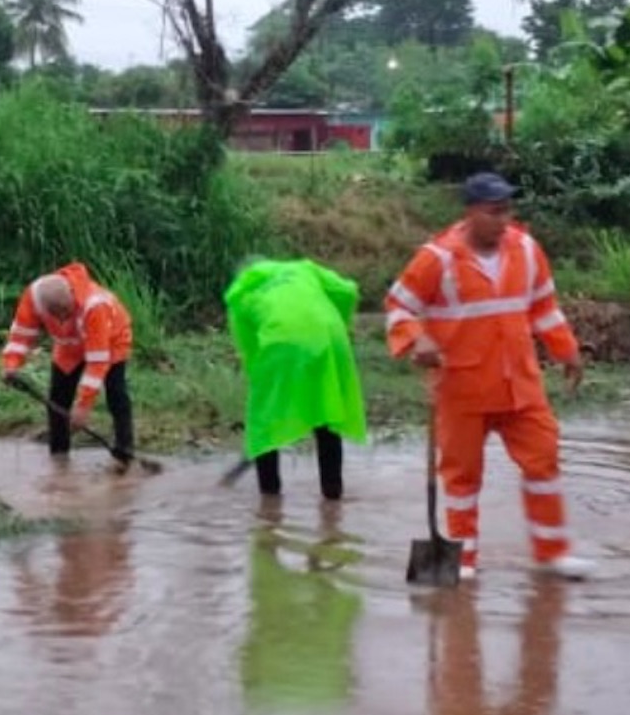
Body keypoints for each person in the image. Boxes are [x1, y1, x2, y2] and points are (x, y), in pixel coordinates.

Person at [384, 172, 592, 582]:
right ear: (472, 213)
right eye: (494, 212)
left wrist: (567, 350)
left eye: (507, 211)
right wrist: (416, 340)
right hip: (462, 388)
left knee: (544, 460)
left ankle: (552, 553)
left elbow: (544, 308)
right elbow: (398, 306)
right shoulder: (437, 258)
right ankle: (462, 560)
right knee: (461, 478)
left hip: (521, 384)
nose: (503, 220)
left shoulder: (527, 250)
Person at [223, 256, 369, 501]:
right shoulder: (303, 268)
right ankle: (332, 495)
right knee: (327, 414)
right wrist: (340, 324)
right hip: (330, 338)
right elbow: (347, 291)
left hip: (281, 342)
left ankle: (270, 502)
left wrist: (266, 394)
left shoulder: (239, 295)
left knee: (264, 421)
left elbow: (251, 352)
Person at [0, 263, 134, 460]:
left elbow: (97, 361)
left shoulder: (95, 305)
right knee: (57, 399)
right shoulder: (33, 297)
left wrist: (83, 406)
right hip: (69, 347)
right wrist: (11, 364)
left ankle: (125, 451)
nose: (62, 316)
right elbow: (21, 335)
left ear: (72, 294)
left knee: (116, 394)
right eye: (55, 313)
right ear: (44, 307)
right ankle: (59, 456)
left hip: (111, 340)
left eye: (66, 310)